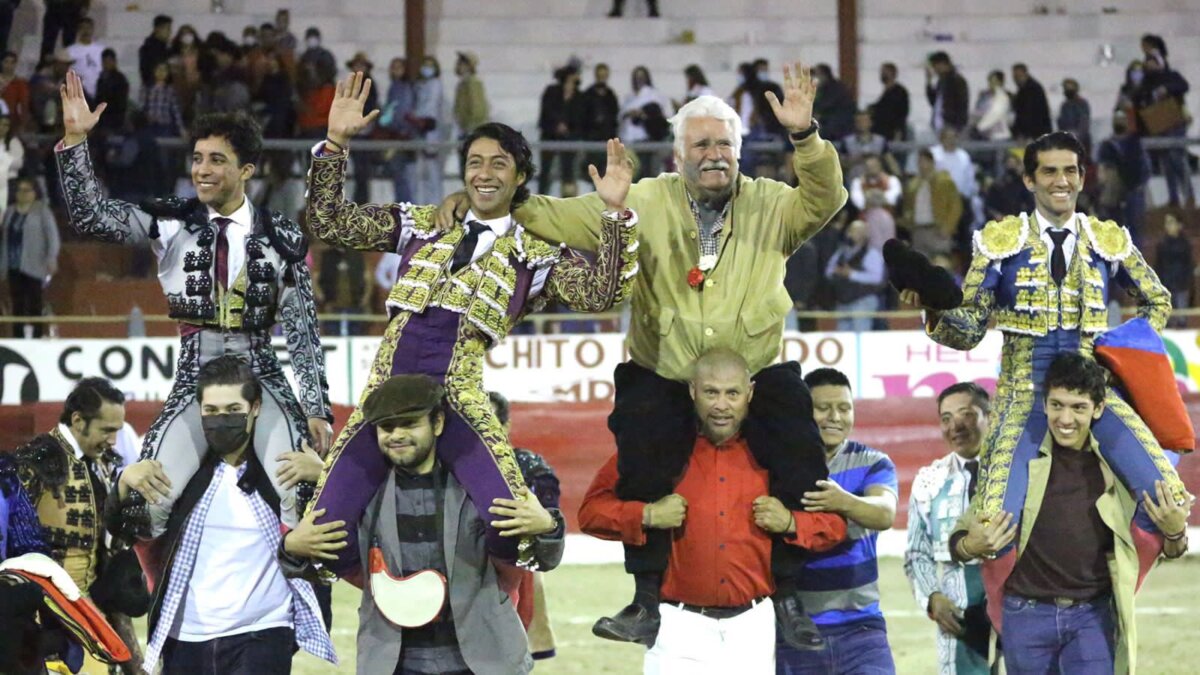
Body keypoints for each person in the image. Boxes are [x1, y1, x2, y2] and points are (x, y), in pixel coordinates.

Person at [476, 63, 847, 648]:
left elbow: (827, 196)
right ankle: (645, 599)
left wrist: (806, 138)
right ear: (678, 156)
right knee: (642, 460)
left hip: (756, 373)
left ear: (740, 151)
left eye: (724, 143)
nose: (714, 153)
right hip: (664, 371)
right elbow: (555, 217)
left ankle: (791, 599)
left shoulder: (776, 204)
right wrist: (494, 195)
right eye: (700, 143)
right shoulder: (643, 200)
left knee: (800, 460)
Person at [304, 73, 639, 579]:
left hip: (456, 396)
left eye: (499, 164)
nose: (484, 174)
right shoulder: (424, 222)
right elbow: (332, 224)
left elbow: (604, 293)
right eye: (475, 163)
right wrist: (335, 145)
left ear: (520, 176)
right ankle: (391, 588)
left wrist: (615, 214)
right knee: (320, 532)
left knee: (513, 527)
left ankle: (481, 595)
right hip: (385, 395)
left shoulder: (535, 252)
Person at [898, 132, 1187, 646]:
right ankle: (1007, 624)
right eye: (1050, 172)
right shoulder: (999, 241)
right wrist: (933, 310)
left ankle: (1111, 595)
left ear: (1082, 175)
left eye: (1071, 171)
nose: (1062, 181)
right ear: (1030, 179)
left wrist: (1119, 359)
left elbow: (1157, 300)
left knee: (1167, 496)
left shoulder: (1109, 239)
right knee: (992, 525)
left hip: (1092, 393)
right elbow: (967, 331)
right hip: (1023, 394)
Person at [56, 73, 334, 538]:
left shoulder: (282, 236)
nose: (202, 170)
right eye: (198, 158)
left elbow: (303, 330)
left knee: (301, 490)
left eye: (217, 160)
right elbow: (91, 215)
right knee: (147, 502)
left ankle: (300, 597)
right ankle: (159, 605)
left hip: (262, 380)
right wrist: (75, 141)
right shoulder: (169, 222)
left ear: (247, 170)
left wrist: (317, 407)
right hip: (194, 380)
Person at [579, 349, 847, 672]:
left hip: (753, 627)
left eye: (732, 393)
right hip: (677, 626)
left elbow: (833, 524)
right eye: (711, 393)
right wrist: (647, 515)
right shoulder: (656, 450)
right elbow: (590, 512)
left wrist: (791, 522)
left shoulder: (779, 453)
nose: (721, 405)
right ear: (692, 391)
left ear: (750, 393)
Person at [283, 374, 562, 675]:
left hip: (483, 658)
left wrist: (548, 526)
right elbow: (326, 569)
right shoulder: (360, 496)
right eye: (386, 427)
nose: (396, 435)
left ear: (438, 423)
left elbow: (539, 559)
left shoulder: (479, 488)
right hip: (395, 661)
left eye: (410, 424)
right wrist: (290, 548)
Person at [949, 353, 1192, 674]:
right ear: (1044, 404)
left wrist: (1175, 533)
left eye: (1078, 407)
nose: (1065, 419)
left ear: (1099, 409)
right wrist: (969, 546)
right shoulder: (1017, 462)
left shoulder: (1120, 469)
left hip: (1092, 616)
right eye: (1057, 405)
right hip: (1026, 614)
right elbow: (959, 538)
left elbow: (1167, 548)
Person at [110, 356, 334, 673]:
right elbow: (123, 532)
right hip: (184, 636)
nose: (221, 420)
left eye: (232, 411)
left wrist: (325, 475)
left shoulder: (282, 476)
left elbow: (345, 526)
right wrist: (121, 485)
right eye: (211, 411)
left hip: (263, 632)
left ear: (255, 408)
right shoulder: (180, 479)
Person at [12, 377, 144, 673]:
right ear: (78, 420)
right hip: (40, 618)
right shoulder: (38, 459)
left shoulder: (104, 462)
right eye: (106, 430)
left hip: (88, 614)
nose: (113, 440)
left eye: (117, 431)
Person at [777, 367, 899, 674]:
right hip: (794, 633)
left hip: (862, 631)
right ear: (804, 410)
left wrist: (842, 501)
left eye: (844, 408)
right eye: (823, 408)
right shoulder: (778, 464)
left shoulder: (873, 462)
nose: (835, 417)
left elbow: (885, 512)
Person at [904, 383, 993, 675]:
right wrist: (932, 597)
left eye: (966, 414)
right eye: (946, 418)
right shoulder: (930, 479)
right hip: (958, 602)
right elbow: (917, 551)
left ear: (989, 416)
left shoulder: (1022, 469)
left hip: (1021, 595)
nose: (955, 425)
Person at [488, 390, 560, 661]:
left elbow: (552, 524)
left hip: (517, 565)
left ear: (506, 426)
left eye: (490, 420)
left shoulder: (529, 465)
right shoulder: (449, 466)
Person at [0, 177, 59, 337]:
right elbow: (5, 238)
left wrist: (51, 258)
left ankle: (37, 336)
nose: (23, 194)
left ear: (35, 193)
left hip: (35, 264)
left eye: (27, 190)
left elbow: (52, 237)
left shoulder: (42, 211)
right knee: (17, 304)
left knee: (34, 303)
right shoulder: (10, 211)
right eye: (20, 190)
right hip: (13, 264)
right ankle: (18, 337)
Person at [1133, 53, 1193, 208]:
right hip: (1159, 127)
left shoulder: (1171, 76)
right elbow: (1140, 99)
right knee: (1166, 163)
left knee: (1177, 159)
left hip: (1175, 124)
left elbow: (1184, 86)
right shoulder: (1146, 82)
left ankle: (1189, 197)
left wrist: (1167, 88)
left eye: (1154, 62)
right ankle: (1173, 198)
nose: (1151, 65)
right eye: (1148, 62)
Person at [826, 219, 884, 333]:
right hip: (842, 301)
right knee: (843, 338)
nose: (852, 234)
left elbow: (876, 278)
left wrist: (852, 274)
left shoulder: (871, 253)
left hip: (862, 301)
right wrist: (836, 272)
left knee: (861, 336)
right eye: (851, 231)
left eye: (857, 231)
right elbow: (828, 270)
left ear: (865, 234)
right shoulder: (842, 252)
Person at [902, 148, 962, 257]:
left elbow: (955, 207)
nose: (922, 165)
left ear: (932, 162)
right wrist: (909, 223)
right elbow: (907, 207)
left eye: (924, 161)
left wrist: (947, 228)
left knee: (940, 265)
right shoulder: (913, 185)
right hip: (918, 230)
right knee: (920, 267)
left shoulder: (944, 181)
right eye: (919, 162)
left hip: (937, 230)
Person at [619, 66, 672, 177]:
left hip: (646, 141)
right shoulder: (629, 97)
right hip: (629, 142)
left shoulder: (653, 95)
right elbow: (621, 116)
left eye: (642, 77)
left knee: (646, 174)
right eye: (637, 77)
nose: (639, 80)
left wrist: (643, 113)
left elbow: (663, 115)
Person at [537, 66, 583, 195]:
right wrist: (557, 124)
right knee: (546, 170)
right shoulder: (552, 91)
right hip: (550, 135)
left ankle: (567, 200)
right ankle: (542, 197)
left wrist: (568, 127)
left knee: (568, 171)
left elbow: (580, 115)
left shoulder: (578, 95)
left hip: (569, 137)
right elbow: (547, 110)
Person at [1154, 213, 1192, 324]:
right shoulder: (1162, 244)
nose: (1168, 226)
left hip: (1182, 286)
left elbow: (1188, 265)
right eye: (1167, 223)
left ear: (1179, 225)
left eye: (1171, 222)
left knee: (1182, 319)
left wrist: (1186, 283)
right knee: (1168, 320)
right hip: (1166, 286)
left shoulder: (1185, 244)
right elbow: (1158, 266)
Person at [926, 51, 969, 133]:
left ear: (942, 64)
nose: (935, 70)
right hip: (939, 124)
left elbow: (961, 105)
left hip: (950, 126)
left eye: (935, 66)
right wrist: (929, 83)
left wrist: (957, 126)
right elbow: (934, 102)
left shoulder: (957, 81)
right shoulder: (941, 81)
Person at [65, 18, 105, 100]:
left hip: (100, 95)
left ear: (92, 30)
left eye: (88, 28)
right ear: (78, 30)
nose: (86, 31)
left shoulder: (101, 50)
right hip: (78, 96)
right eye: (82, 28)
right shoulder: (70, 51)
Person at [1010, 64, 1051, 140]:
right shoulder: (1024, 89)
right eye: (1015, 77)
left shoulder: (1032, 89)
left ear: (1025, 74)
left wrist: (1025, 134)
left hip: (1035, 135)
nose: (1016, 79)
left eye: (1019, 76)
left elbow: (1031, 115)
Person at [453, 51, 488, 137]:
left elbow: (477, 107)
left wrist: (472, 127)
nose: (458, 65)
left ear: (469, 66)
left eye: (462, 63)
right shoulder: (462, 84)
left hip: (471, 129)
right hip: (463, 127)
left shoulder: (473, 83)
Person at [870, 62, 909, 143]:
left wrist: (898, 131)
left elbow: (902, 113)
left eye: (885, 72)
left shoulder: (900, 92)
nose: (882, 74)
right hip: (881, 132)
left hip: (892, 132)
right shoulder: (886, 92)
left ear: (893, 73)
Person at [969, 70, 1011, 141]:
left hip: (999, 135)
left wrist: (980, 127)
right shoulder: (984, 97)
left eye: (995, 81)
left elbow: (996, 114)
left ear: (1001, 82)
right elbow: (976, 111)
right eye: (990, 81)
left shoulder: (1005, 97)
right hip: (983, 135)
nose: (992, 84)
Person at [95, 49, 129, 132]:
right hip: (101, 118)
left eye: (109, 61)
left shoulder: (120, 79)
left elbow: (120, 102)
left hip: (114, 118)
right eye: (105, 62)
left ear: (114, 62)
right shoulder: (101, 78)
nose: (107, 64)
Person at [138, 14, 173, 88]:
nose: (170, 32)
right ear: (157, 29)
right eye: (168, 29)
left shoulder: (165, 48)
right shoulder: (150, 50)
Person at [1056, 78, 1090, 151]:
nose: (1065, 91)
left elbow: (1083, 125)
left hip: (1080, 142)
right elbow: (1061, 124)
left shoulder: (1082, 104)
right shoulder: (1065, 105)